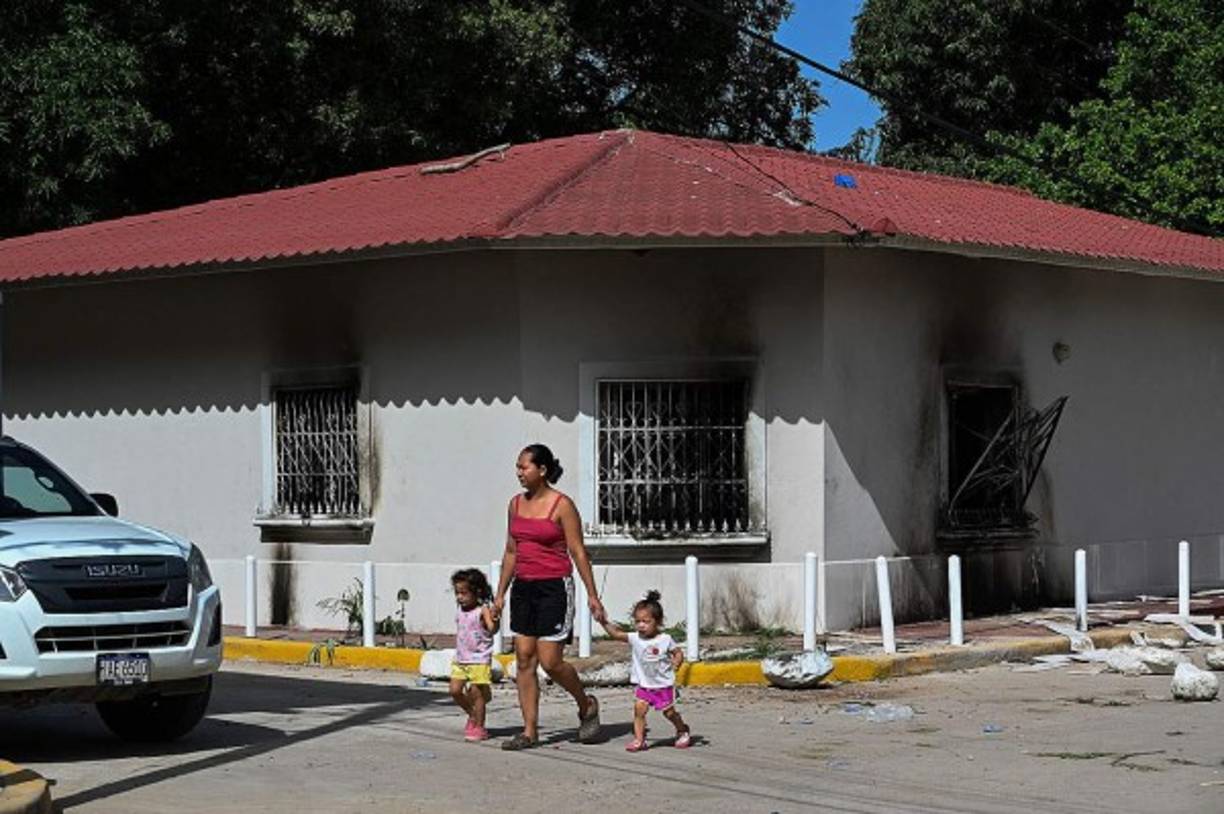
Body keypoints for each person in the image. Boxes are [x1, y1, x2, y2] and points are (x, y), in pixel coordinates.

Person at [493, 443, 607, 750]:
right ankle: (529, 731)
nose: (519, 472)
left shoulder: (562, 505)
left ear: (542, 470)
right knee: (523, 658)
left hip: (554, 588)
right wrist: (500, 594)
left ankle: (586, 705)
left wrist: (593, 595)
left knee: (551, 661)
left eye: (524, 467)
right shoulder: (515, 505)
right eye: (517, 467)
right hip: (523, 588)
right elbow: (511, 551)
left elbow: (578, 551)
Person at [597, 590, 692, 751]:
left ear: (658, 621)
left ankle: (682, 729)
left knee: (669, 712)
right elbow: (616, 634)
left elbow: (677, 652)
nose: (641, 625)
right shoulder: (635, 638)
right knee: (639, 710)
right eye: (638, 621)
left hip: (662, 685)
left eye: (646, 621)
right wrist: (603, 621)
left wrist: (677, 661)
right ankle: (639, 739)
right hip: (644, 685)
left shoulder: (665, 639)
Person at [449, 568, 498, 742]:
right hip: (461, 658)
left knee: (477, 695)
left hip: (479, 659)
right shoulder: (460, 610)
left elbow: (492, 629)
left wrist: (495, 618)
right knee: (455, 690)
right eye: (457, 593)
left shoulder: (482, 610)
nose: (459, 597)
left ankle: (480, 726)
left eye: (463, 593)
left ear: (476, 592)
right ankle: (473, 714)